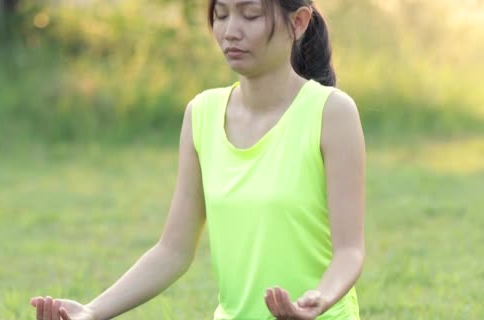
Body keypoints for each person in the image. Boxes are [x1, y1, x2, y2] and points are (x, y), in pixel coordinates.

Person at [30, 0, 365, 319]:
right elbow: (173, 250)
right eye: (221, 15)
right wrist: (92, 311)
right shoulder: (202, 114)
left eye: (250, 15)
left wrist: (318, 299)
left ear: (299, 22)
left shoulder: (332, 113)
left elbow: (349, 251)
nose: (231, 31)